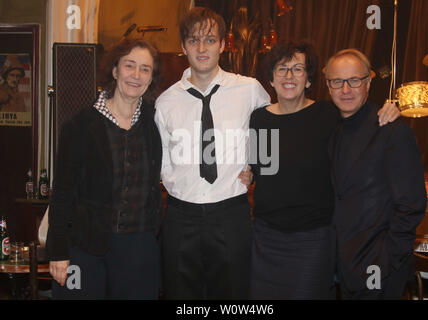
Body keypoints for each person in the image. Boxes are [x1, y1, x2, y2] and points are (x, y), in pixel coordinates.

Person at [249, 41, 399, 299]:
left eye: (297, 69)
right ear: (271, 79)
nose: (288, 75)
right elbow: (262, 165)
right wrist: (248, 172)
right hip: (265, 238)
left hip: (312, 240)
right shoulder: (259, 118)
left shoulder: (328, 114)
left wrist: (389, 108)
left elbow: (362, 119)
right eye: (281, 68)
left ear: (309, 79)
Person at [154, 7, 270, 299]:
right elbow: (163, 158)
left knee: (233, 294)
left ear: (222, 44)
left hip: (231, 213)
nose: (202, 48)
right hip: (181, 216)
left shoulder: (249, 90)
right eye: (193, 40)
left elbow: (268, 132)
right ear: (183, 47)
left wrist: (258, 169)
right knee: (180, 296)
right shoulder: (166, 101)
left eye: (209, 39)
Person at [46, 38, 163, 299]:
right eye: (129, 65)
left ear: (151, 77)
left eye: (145, 69)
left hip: (139, 248)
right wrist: (59, 251)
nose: (136, 75)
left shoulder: (157, 122)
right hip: (85, 248)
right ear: (114, 70)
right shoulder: (79, 126)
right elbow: (62, 193)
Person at [325, 49, 426, 299]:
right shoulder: (329, 129)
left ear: (368, 82)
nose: (345, 89)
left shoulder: (391, 131)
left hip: (378, 270)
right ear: (328, 86)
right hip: (339, 267)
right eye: (337, 81)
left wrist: (386, 260)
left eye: (354, 80)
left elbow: (412, 206)